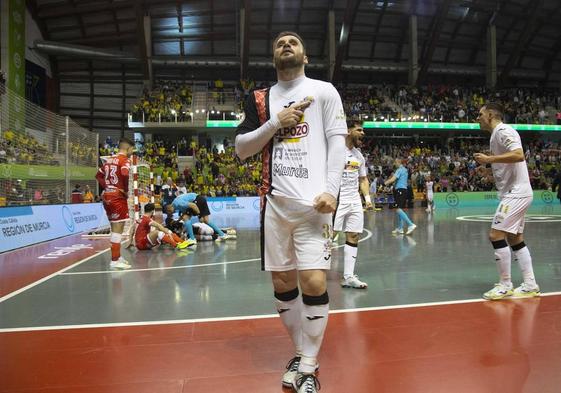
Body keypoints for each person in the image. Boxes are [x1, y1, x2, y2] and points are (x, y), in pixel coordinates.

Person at [234, 31, 347, 393]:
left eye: (294, 42)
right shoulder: (260, 98)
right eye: (280, 43)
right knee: (282, 284)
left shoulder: (324, 91)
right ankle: (300, 353)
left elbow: (337, 144)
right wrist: (274, 123)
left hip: (315, 206)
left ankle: (310, 367)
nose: (286, 45)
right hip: (275, 205)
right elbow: (241, 149)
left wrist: (332, 190)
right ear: (273, 56)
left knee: (313, 282)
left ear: (305, 56)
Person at [474, 102, 540, 300]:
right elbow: (508, 165)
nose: (477, 118)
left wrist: (488, 160)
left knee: (495, 235)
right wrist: (489, 173)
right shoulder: (496, 136)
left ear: (491, 115)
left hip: (516, 192)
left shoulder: (503, 131)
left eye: (480, 114)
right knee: (515, 238)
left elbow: (519, 155)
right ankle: (530, 284)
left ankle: (505, 285)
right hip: (515, 191)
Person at [332, 119, 370, 289]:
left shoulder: (358, 155)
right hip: (336, 198)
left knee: (354, 235)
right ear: (348, 131)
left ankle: (348, 276)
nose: (363, 133)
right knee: (327, 237)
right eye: (359, 130)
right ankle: (313, 271)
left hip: (353, 199)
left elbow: (363, 179)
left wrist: (367, 199)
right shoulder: (333, 150)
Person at [95, 137, 135, 270]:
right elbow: (124, 172)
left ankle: (117, 257)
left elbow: (98, 176)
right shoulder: (125, 160)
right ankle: (114, 260)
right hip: (118, 197)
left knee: (114, 227)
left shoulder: (108, 160)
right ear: (128, 148)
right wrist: (125, 190)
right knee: (118, 228)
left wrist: (107, 186)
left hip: (107, 196)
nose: (132, 152)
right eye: (132, 150)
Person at [166, 192, 234, 245]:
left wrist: (199, 215)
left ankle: (192, 239)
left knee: (187, 218)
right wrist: (178, 220)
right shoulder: (175, 205)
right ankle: (222, 234)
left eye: (170, 212)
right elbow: (185, 213)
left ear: (169, 208)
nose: (171, 213)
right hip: (201, 199)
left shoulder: (178, 203)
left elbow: (193, 205)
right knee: (206, 220)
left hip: (197, 201)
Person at [384, 159, 416, 235]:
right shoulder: (405, 170)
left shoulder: (399, 170)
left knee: (398, 209)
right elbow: (397, 180)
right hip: (403, 190)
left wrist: (385, 183)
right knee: (400, 209)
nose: (394, 164)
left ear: (399, 162)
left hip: (400, 190)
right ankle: (400, 228)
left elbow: (393, 179)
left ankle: (411, 224)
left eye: (395, 162)